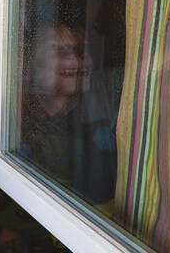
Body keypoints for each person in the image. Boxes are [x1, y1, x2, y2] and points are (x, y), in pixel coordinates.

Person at [19, 22, 122, 214]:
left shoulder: (103, 96)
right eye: (57, 50)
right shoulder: (18, 120)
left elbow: (148, 69)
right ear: (29, 65)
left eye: (80, 50)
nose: (75, 57)